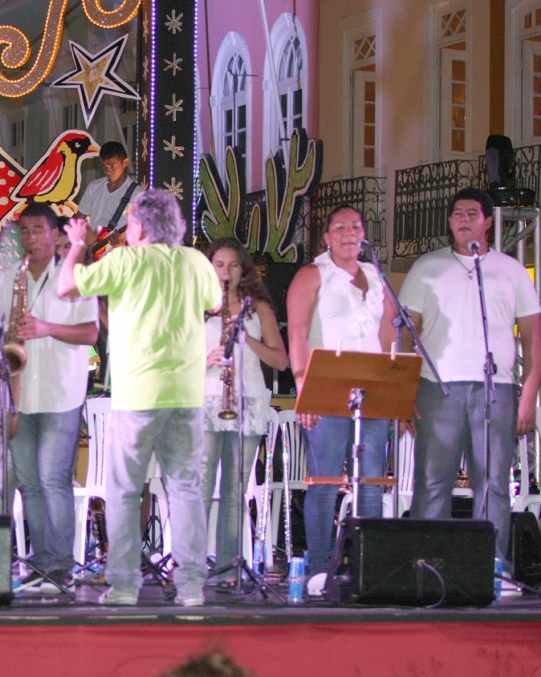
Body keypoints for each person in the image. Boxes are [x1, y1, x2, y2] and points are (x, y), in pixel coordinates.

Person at [57, 188, 222, 606]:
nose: (127, 229)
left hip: (137, 395)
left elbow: (66, 286)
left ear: (142, 227)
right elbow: (215, 303)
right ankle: (191, 587)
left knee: (125, 492)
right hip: (185, 394)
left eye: (130, 222)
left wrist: (77, 244)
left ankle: (125, 586)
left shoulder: (124, 261)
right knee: (185, 491)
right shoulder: (195, 261)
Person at [399, 187, 541, 563]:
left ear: (488, 222)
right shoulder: (426, 267)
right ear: (449, 221)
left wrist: (529, 395)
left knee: (493, 486)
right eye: (457, 213)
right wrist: (404, 391)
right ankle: (429, 568)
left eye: (472, 213)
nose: (463, 218)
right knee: (432, 483)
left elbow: (533, 336)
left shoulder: (510, 270)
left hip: (497, 390)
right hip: (437, 389)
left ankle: (491, 569)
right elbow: (404, 334)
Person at [286, 205, 395, 581]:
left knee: (370, 485)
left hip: (372, 391)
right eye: (340, 227)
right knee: (326, 483)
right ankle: (319, 569)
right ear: (327, 237)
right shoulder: (312, 274)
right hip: (326, 388)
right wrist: (305, 389)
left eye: (356, 226)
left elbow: (388, 336)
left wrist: (394, 386)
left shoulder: (376, 276)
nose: (350, 232)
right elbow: (297, 333)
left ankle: (365, 568)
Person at [0, 203, 98, 590]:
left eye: (38, 230)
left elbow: (90, 333)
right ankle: (41, 561)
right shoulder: (9, 278)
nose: (30, 238)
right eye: (24, 231)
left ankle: (61, 565)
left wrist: (46, 328)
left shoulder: (75, 276)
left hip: (61, 392)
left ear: (56, 235)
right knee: (31, 483)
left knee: (53, 480)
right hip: (19, 393)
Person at [202, 239, 287, 580]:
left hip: (247, 403)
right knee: (201, 487)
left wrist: (246, 339)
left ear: (243, 270)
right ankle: (191, 567)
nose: (226, 272)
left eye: (233, 265)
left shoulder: (258, 308)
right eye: (219, 264)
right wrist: (205, 360)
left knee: (235, 491)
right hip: (207, 401)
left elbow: (280, 361)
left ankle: (228, 571)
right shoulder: (195, 306)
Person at [77, 141, 143, 257]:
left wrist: (122, 246)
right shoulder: (94, 187)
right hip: (93, 258)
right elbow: (78, 220)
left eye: (113, 166)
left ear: (125, 162)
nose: (108, 170)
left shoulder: (138, 195)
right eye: (104, 166)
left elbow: (142, 237)